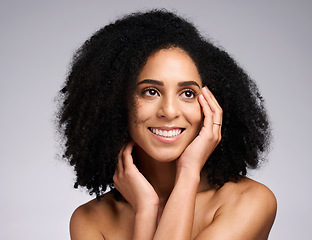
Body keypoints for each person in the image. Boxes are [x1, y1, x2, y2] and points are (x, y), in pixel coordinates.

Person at [57, 9, 277, 240]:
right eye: (151, 92)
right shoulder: (91, 220)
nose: (170, 111)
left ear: (211, 106)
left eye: (188, 93)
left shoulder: (250, 201)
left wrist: (188, 172)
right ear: (114, 102)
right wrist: (146, 210)